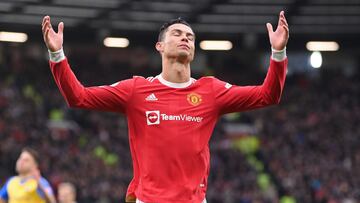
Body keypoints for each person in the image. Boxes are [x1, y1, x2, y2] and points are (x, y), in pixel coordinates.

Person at [41, 10, 289, 203]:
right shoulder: (136, 90)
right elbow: (79, 97)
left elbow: (268, 95)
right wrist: (57, 56)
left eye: (190, 37)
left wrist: (278, 53)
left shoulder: (210, 90)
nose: (185, 39)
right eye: (178, 34)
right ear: (159, 46)